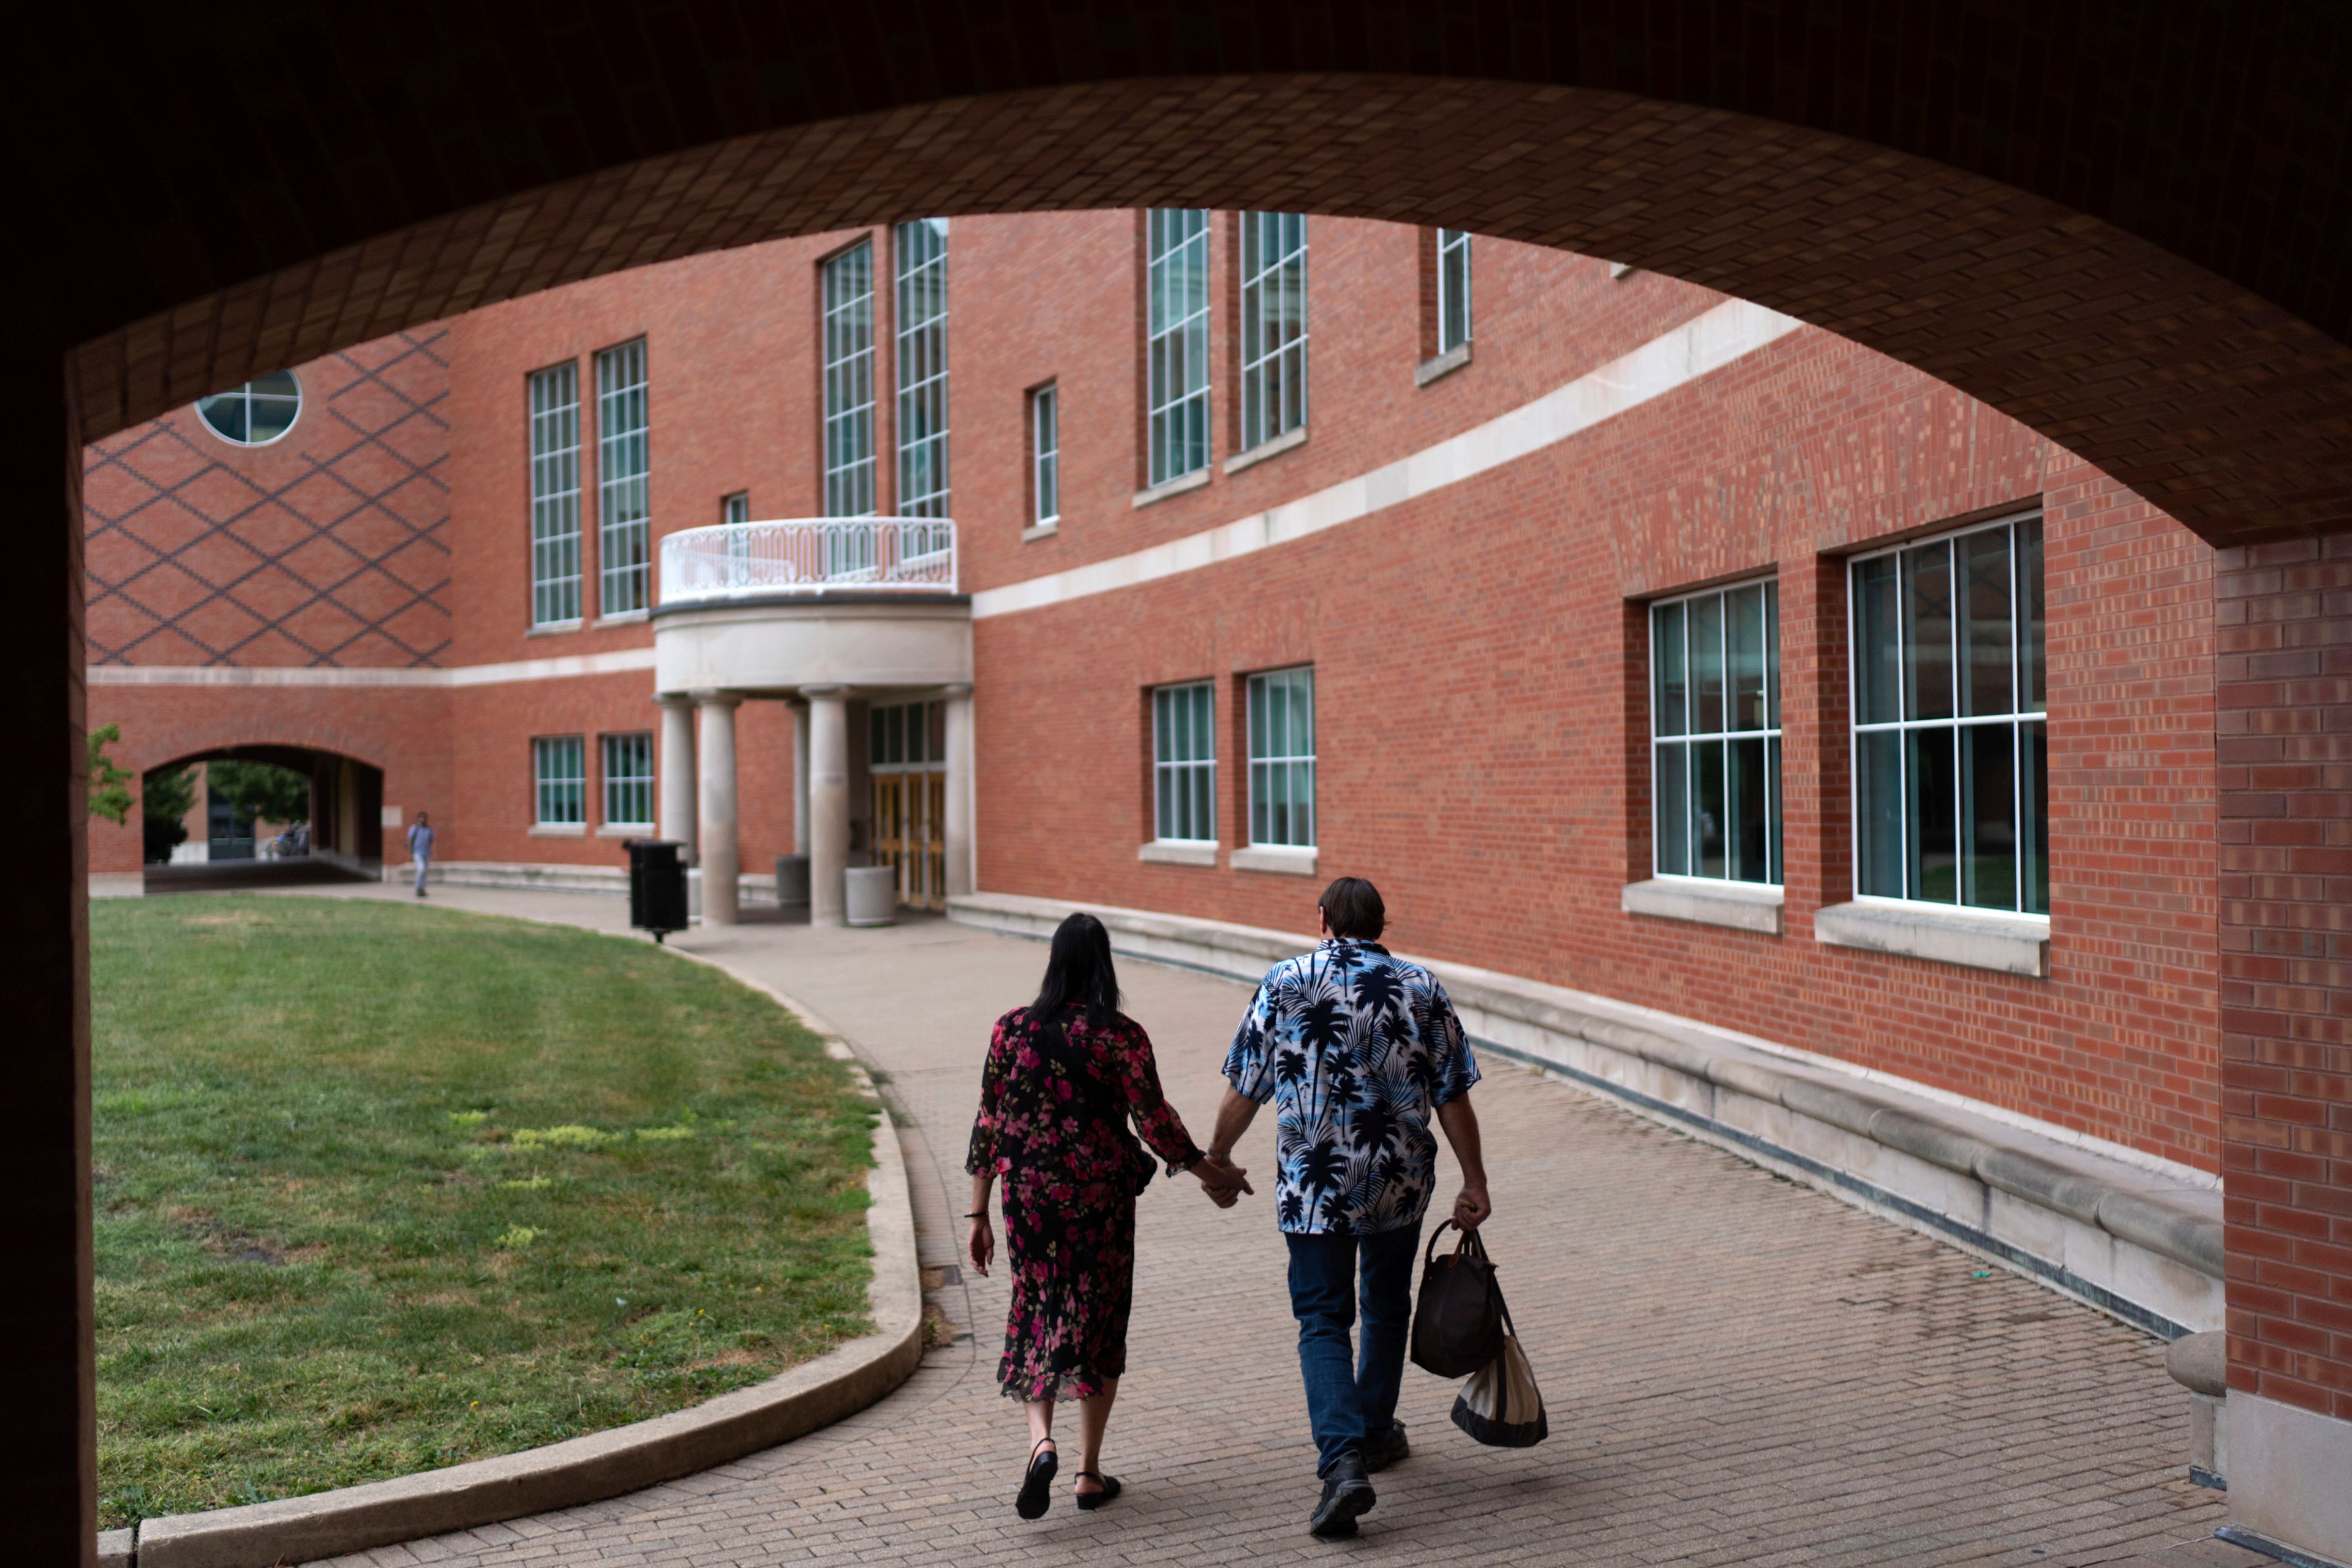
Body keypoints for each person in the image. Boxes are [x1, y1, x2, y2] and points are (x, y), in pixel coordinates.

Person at [1203, 876, 1488, 1539]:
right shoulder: (1421, 985)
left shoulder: (1286, 981)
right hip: (1400, 1179)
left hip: (1316, 1185)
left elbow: (1246, 1086)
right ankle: (1377, 1432)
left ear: (1323, 919)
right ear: (1382, 923)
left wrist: (1216, 1156)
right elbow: (1453, 1096)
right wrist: (1475, 1179)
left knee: (1323, 1318)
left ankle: (1344, 1461)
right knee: (1387, 1306)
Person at [966, 912, 1250, 1520]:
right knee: (1098, 1319)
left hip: (1030, 1200)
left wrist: (977, 1213)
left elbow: (990, 1121)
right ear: (1104, 964)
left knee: (1037, 1307)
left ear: (1053, 960)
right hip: (1099, 1202)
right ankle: (1088, 1472)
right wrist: (1213, 1174)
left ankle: (1041, 1441)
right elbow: (1156, 1124)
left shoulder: (1010, 1030)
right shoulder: (1120, 1035)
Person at [405, 812, 434, 897]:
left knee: (424, 871)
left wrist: (433, 852)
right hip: (417, 852)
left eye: (424, 818)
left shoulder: (429, 829)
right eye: (421, 818)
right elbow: (410, 840)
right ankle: (418, 888)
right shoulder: (414, 828)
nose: (422, 820)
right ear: (418, 819)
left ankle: (422, 889)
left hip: (426, 853)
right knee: (421, 869)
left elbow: (432, 841)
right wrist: (409, 853)